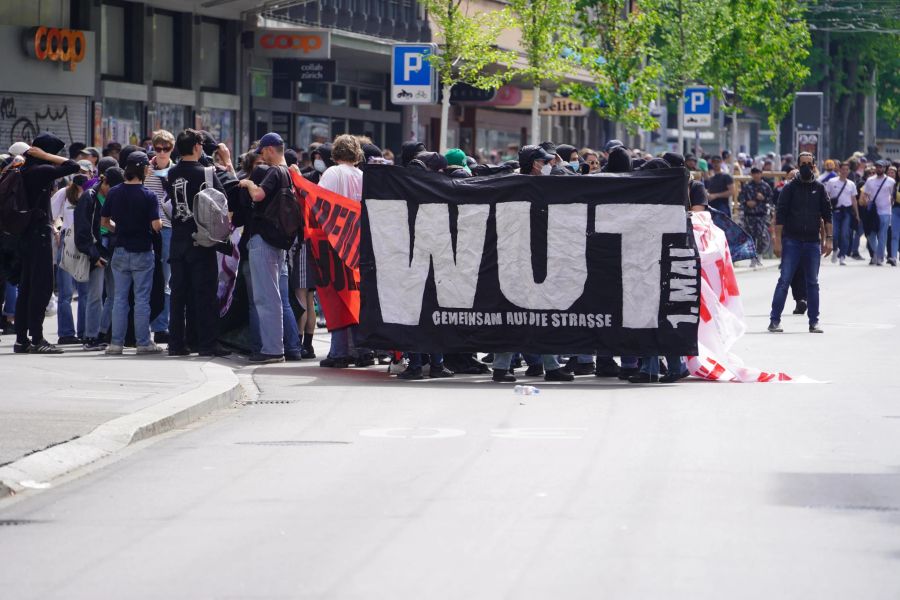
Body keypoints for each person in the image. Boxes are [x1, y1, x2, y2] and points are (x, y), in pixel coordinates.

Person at [13, 133, 81, 354]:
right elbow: (73, 166)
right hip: (39, 236)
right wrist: (46, 156)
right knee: (40, 288)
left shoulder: (24, 169)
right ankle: (37, 338)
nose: (56, 156)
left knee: (26, 288)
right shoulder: (40, 170)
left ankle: (22, 339)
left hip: (24, 235)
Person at [165, 129, 230, 357]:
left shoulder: (171, 174)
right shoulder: (207, 173)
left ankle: (177, 343)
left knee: (179, 294)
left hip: (177, 240)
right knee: (204, 294)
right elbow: (222, 202)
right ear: (196, 147)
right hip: (202, 241)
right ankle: (207, 343)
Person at [238, 132, 297, 364]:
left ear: (271, 149)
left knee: (266, 297)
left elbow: (259, 195)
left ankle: (272, 349)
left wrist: (249, 183)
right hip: (280, 239)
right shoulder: (291, 173)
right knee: (274, 296)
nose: (262, 157)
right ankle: (276, 347)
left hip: (265, 239)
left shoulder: (274, 171)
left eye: (262, 152)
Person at [100, 151, 163, 355]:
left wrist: (118, 229)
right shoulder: (149, 195)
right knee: (141, 299)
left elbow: (104, 222)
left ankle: (116, 343)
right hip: (143, 250)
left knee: (119, 298)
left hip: (120, 249)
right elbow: (156, 225)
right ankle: (143, 342)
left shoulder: (114, 192)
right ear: (144, 169)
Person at [316, 134, 369, 368]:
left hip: (336, 242)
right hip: (359, 243)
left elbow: (319, 203)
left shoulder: (332, 174)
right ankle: (362, 349)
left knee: (337, 295)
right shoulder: (363, 176)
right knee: (356, 295)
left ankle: (339, 352)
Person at [768, 152, 832, 334]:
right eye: (802, 163)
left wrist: (829, 239)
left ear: (813, 166)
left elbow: (827, 215)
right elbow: (779, 216)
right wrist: (777, 241)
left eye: (808, 163)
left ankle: (814, 322)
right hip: (791, 241)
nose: (805, 166)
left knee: (812, 283)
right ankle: (774, 320)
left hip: (812, 242)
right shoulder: (789, 188)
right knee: (784, 281)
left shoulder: (819, 188)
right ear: (798, 165)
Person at [74, 167, 123, 351]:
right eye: (112, 188)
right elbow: (82, 229)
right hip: (97, 248)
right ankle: (91, 336)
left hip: (112, 246)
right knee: (95, 294)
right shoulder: (89, 196)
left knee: (113, 294)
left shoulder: (114, 195)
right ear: (105, 182)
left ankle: (103, 332)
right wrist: (93, 255)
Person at [52, 171, 91, 345]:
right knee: (66, 292)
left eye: (86, 172)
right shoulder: (64, 193)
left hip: (85, 243)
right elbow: (52, 216)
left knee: (85, 292)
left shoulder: (92, 192)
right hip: (67, 242)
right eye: (79, 172)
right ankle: (66, 333)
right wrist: (58, 229)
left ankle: (84, 331)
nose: (82, 176)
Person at [145, 130, 175, 343]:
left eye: (167, 148)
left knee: (165, 278)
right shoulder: (145, 169)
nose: (163, 152)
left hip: (168, 228)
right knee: (144, 278)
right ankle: (139, 327)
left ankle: (161, 326)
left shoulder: (176, 171)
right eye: (158, 148)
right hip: (146, 229)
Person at [859, 160, 896, 266]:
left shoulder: (891, 181)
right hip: (873, 212)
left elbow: (893, 196)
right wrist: (864, 200)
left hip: (885, 211)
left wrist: (892, 202)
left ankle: (879, 257)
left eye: (881, 167)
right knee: (870, 234)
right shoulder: (870, 180)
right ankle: (878, 253)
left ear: (885, 169)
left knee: (882, 234)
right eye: (877, 167)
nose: (879, 169)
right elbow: (865, 193)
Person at [824, 162, 859, 266]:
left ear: (848, 171)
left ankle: (842, 256)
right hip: (835, 211)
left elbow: (854, 200)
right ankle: (835, 249)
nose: (844, 172)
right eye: (843, 169)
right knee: (834, 233)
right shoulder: (831, 181)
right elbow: (827, 196)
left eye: (846, 170)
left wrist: (857, 214)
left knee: (845, 234)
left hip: (846, 212)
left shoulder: (851, 184)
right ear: (839, 170)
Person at [739, 167, 774, 268]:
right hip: (749, 215)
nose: (756, 175)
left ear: (761, 174)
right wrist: (746, 202)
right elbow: (740, 197)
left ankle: (759, 256)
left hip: (761, 215)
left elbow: (771, 199)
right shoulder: (747, 186)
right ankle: (752, 258)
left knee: (761, 236)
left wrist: (763, 198)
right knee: (750, 237)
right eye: (754, 173)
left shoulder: (765, 186)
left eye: (758, 173)